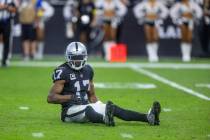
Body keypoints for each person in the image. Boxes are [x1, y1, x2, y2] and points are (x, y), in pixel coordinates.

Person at [47, 42, 161, 126]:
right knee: (88, 111)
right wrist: (70, 97)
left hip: (85, 105)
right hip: (70, 111)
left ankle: (148, 118)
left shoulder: (88, 70)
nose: (77, 61)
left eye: (80, 58)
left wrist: (101, 106)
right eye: (74, 58)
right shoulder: (63, 71)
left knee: (113, 108)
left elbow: (91, 95)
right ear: (68, 58)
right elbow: (51, 98)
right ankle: (105, 119)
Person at [0, 0, 17, 67]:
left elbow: (14, 10)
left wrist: (7, 8)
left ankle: (5, 60)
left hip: (7, 21)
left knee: (7, 41)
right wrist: (5, 7)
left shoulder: (11, 1)